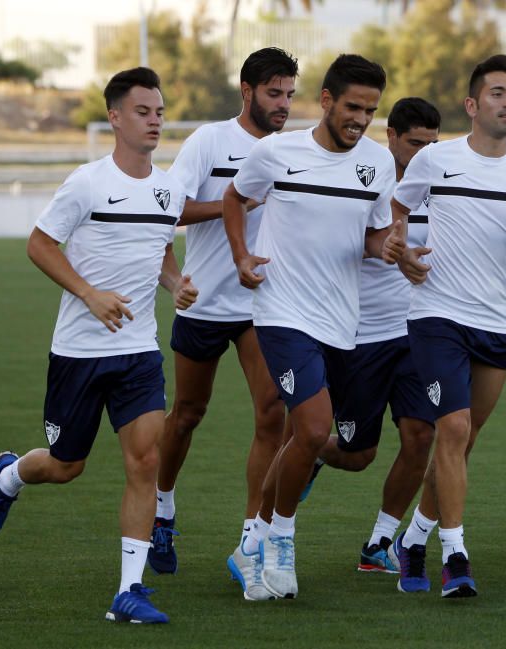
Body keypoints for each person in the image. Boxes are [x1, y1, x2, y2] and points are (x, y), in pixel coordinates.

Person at [0, 67, 198, 623]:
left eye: (160, 111)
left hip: (139, 351)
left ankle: (129, 591)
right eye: (143, 112)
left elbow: (159, 247)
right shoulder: (86, 182)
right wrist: (89, 293)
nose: (155, 121)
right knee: (66, 466)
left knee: (145, 461)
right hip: (78, 352)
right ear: (115, 117)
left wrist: (176, 284)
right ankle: (8, 475)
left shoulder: (169, 188)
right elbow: (39, 244)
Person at [221, 54, 395, 599]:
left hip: (343, 321)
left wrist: (392, 250)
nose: (361, 119)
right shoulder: (275, 152)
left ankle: (251, 542)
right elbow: (234, 198)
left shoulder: (379, 164)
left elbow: (375, 235)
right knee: (315, 429)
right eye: (351, 107)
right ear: (325, 100)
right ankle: (280, 540)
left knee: (324, 440)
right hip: (281, 312)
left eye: (370, 110)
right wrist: (242, 256)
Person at [384, 54, 506, 597]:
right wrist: (400, 248)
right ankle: (455, 556)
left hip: (496, 324)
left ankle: (412, 539)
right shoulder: (435, 160)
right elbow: (397, 206)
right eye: (500, 93)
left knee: (461, 443)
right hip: (436, 316)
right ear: (472, 104)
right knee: (452, 431)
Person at [148, 47, 298, 585]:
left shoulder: (293, 150)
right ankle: (162, 509)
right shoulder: (210, 141)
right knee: (187, 413)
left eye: (289, 94)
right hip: (205, 298)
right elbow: (170, 205)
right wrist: (234, 201)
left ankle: (252, 539)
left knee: (272, 414)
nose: (283, 104)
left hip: (264, 303)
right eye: (273, 93)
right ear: (247, 90)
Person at [303, 98, 440, 574]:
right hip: (362, 334)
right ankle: (310, 451)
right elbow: (332, 241)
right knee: (357, 454)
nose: (424, 153)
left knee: (422, 436)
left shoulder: (441, 186)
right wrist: (386, 248)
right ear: (391, 138)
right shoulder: (366, 181)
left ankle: (380, 542)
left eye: (432, 144)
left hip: (420, 332)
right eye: (415, 143)